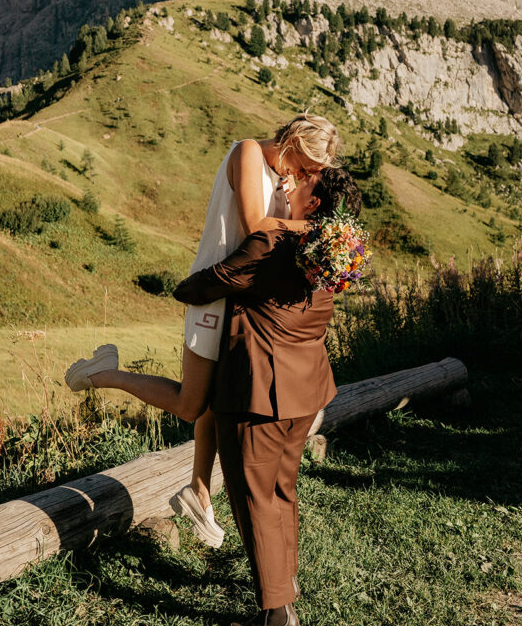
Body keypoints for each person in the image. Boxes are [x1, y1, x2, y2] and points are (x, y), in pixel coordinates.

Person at [64, 114, 342, 546]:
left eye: (312, 172)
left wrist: (290, 206)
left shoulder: (280, 177)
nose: (304, 175)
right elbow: (254, 228)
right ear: (290, 141)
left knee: (219, 399)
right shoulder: (249, 152)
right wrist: (308, 226)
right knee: (191, 405)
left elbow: (269, 243)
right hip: (212, 295)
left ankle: (198, 492)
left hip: (242, 305)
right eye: (305, 165)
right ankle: (103, 373)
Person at [172, 165, 362, 626]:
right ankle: (285, 585)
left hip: (257, 395)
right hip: (307, 392)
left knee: (253, 499)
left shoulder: (270, 247)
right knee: (282, 492)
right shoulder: (329, 255)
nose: (289, 185)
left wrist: (188, 286)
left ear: (314, 203)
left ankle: (276, 615)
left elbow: (201, 285)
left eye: (301, 184)